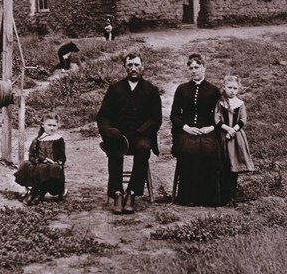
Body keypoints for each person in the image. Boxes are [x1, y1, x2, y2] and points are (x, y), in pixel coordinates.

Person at [97, 53, 162, 214]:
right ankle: (117, 193)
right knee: (115, 148)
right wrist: (109, 131)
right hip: (119, 134)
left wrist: (142, 130)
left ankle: (132, 193)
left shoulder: (151, 90)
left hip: (142, 134)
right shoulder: (115, 89)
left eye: (137, 65)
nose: (133, 68)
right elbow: (103, 116)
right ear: (125, 67)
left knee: (143, 148)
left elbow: (156, 119)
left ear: (142, 66)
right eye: (130, 65)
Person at [170, 53, 225, 207]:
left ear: (204, 68)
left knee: (208, 150)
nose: (194, 71)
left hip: (207, 130)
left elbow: (220, 115)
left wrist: (211, 128)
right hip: (186, 130)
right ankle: (188, 197)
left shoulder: (213, 90)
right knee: (188, 150)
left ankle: (208, 197)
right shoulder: (182, 89)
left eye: (197, 67)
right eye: (191, 68)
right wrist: (186, 127)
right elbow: (174, 115)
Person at [215, 75, 255, 203]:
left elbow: (243, 119)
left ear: (238, 89)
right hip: (223, 135)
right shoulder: (220, 103)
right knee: (224, 163)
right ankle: (223, 192)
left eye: (235, 88)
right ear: (224, 87)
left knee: (234, 163)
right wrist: (228, 129)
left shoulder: (240, 103)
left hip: (236, 137)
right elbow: (217, 119)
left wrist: (234, 130)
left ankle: (233, 191)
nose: (232, 90)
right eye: (229, 87)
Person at [14, 112, 66, 206]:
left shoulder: (59, 140)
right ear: (43, 125)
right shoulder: (38, 140)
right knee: (28, 165)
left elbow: (62, 156)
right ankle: (34, 191)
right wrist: (40, 160)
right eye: (49, 125)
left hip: (52, 165)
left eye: (54, 125)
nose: (51, 128)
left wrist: (59, 162)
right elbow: (32, 156)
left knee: (52, 168)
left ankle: (40, 192)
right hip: (40, 165)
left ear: (58, 126)